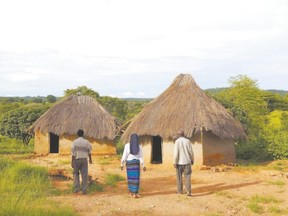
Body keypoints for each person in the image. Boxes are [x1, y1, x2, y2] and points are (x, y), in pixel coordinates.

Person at [121, 133, 146, 198]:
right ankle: (135, 193)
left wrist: (122, 164)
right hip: (136, 164)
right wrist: (143, 165)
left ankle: (131, 192)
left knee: (130, 178)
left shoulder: (127, 145)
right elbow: (141, 157)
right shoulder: (139, 146)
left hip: (129, 164)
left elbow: (124, 155)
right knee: (136, 178)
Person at [173, 129, 194, 196]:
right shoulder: (188, 141)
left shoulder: (177, 142)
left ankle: (179, 191)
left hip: (179, 163)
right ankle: (188, 191)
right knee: (187, 176)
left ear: (178, 135)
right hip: (187, 162)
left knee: (179, 177)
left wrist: (174, 162)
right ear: (184, 134)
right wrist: (192, 159)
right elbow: (191, 152)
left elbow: (176, 153)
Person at [71, 129, 92, 194]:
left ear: (77, 134)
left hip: (77, 159)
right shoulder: (87, 142)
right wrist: (90, 159)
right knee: (84, 174)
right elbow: (89, 151)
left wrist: (72, 161)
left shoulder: (74, 142)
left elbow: (73, 153)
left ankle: (77, 188)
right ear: (83, 134)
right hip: (84, 160)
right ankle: (84, 189)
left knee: (75, 174)